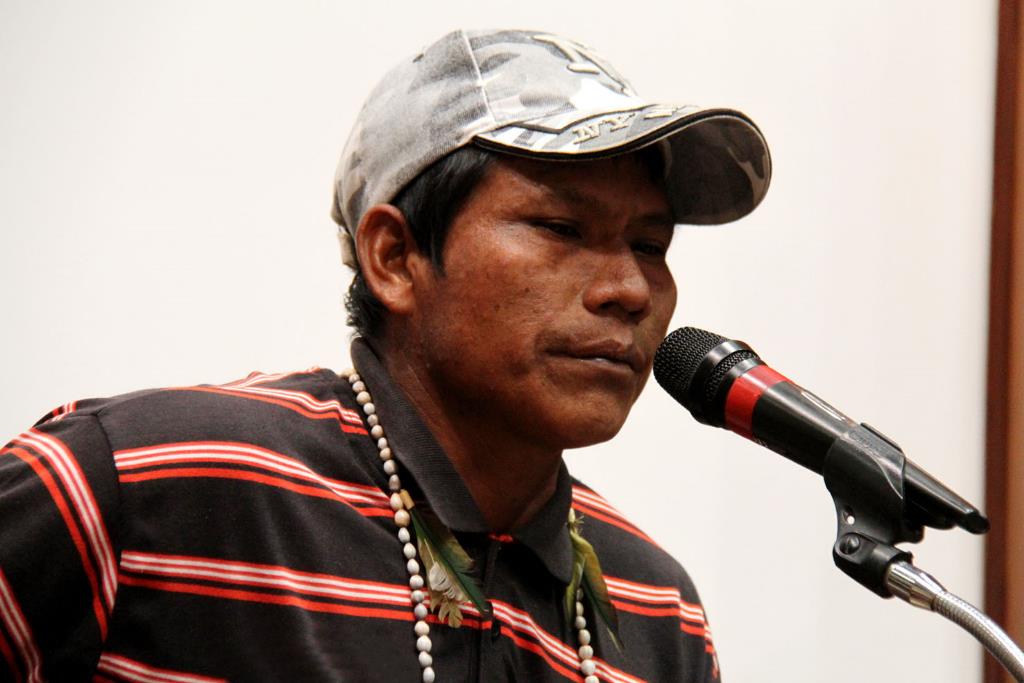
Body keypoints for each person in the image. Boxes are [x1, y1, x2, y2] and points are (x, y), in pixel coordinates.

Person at [0, 29, 770, 682]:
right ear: (395, 257)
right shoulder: (144, 482)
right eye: (561, 229)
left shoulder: (657, 608)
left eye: (650, 245)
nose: (629, 288)